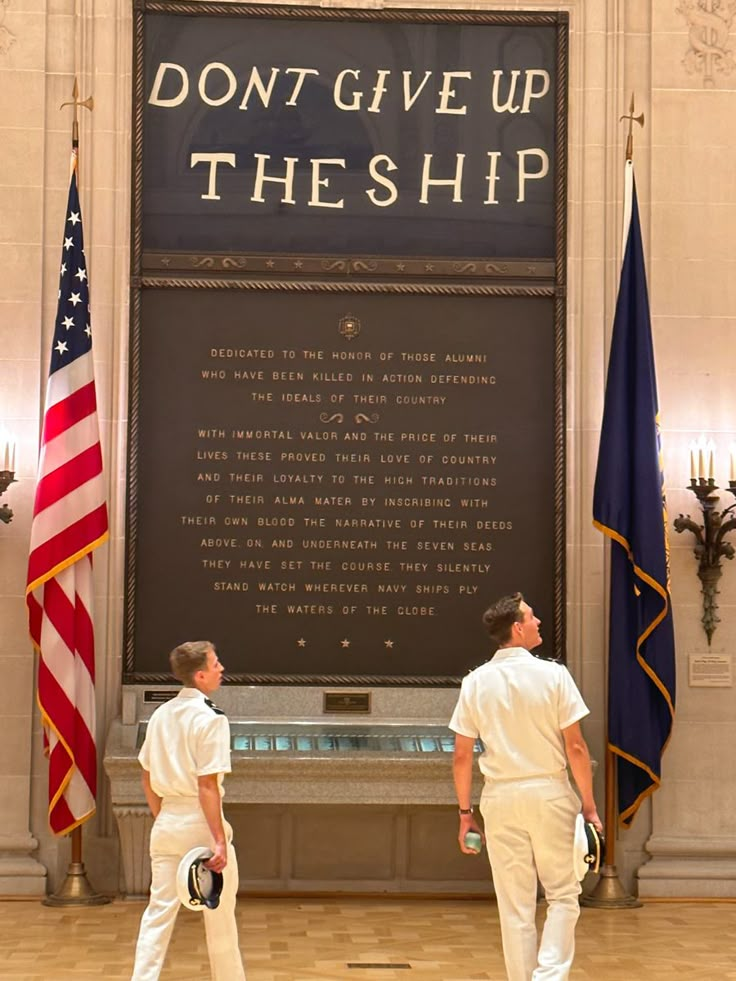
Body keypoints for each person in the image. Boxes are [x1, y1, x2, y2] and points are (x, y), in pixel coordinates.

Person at [449, 593, 602, 981]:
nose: (538, 623)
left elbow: (462, 756)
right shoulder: (554, 675)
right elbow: (577, 747)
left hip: (499, 797)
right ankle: (548, 977)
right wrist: (589, 804)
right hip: (549, 793)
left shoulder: (475, 682)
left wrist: (466, 814)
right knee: (563, 895)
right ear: (517, 628)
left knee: (514, 905)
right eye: (532, 618)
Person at [131, 641, 247, 980]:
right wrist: (218, 840)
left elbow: (147, 776)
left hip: (167, 819)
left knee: (157, 913)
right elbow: (207, 786)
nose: (221, 668)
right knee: (220, 916)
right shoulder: (211, 719)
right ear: (200, 675)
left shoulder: (160, 714)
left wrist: (164, 818)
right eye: (215, 664)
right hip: (200, 822)